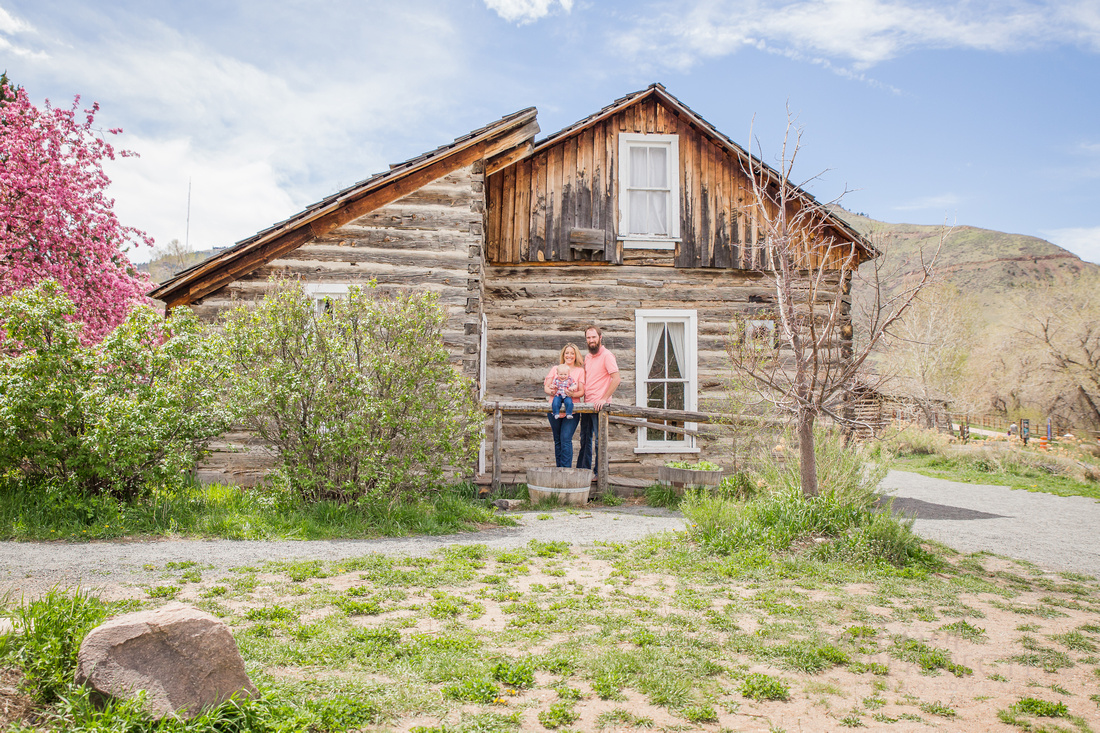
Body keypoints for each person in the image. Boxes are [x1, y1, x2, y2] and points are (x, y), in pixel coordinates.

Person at [576, 325, 620, 477]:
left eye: (594, 337)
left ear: (600, 338)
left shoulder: (607, 356)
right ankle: (584, 472)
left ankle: (599, 474)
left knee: (598, 442)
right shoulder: (588, 357)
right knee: (585, 440)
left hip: (599, 406)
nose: (591, 340)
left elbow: (616, 379)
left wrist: (603, 398)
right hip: (587, 405)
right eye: (588, 338)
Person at [543, 344, 585, 468]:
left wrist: (572, 393)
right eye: (567, 353)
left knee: (566, 439)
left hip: (572, 411)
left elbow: (582, 392)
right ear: (563, 354)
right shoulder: (556, 368)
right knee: (558, 441)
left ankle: (565, 471)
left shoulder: (579, 371)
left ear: (576, 355)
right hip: (554, 409)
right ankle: (559, 470)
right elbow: (546, 386)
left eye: (572, 353)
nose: (569, 355)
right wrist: (551, 391)